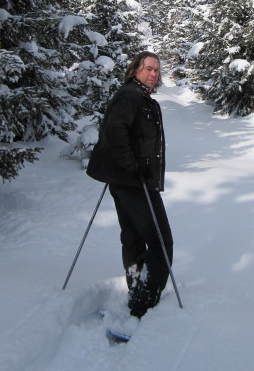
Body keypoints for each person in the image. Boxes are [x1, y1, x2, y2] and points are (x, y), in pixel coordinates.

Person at [87, 51, 173, 318]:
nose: (153, 74)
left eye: (157, 70)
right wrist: (132, 166)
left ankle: (137, 291)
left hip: (129, 180)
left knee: (134, 237)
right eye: (148, 69)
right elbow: (114, 131)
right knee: (161, 240)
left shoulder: (142, 99)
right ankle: (146, 298)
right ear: (135, 69)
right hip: (132, 181)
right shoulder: (130, 96)